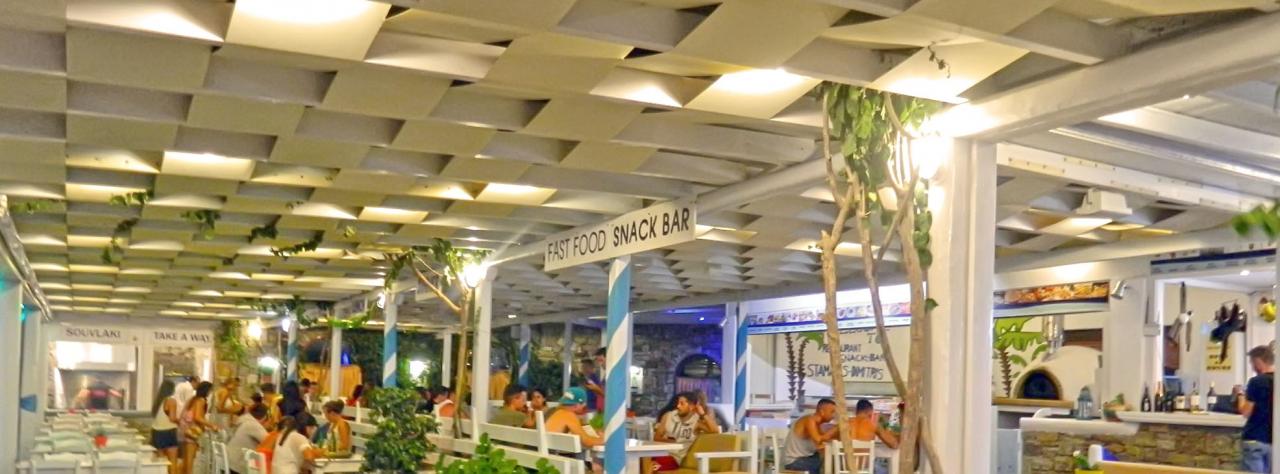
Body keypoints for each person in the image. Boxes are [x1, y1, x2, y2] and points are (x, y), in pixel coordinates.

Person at [652, 391, 721, 470]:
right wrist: (673, 442)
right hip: (662, 453)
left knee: (652, 466)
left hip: (676, 458)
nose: (678, 406)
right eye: (678, 403)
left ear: (692, 406)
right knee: (643, 460)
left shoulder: (696, 421)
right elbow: (656, 437)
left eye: (682, 404)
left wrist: (702, 413)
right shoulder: (668, 416)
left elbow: (715, 431)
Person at [1239, 345, 1274, 472]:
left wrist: (1240, 394)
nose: (1252, 367)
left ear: (1258, 361)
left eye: (1252, 362)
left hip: (1255, 437)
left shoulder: (1256, 382)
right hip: (1273, 439)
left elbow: (1245, 412)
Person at [782, 398, 838, 474]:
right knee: (826, 463)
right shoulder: (809, 420)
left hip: (805, 458)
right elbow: (818, 439)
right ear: (822, 412)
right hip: (794, 461)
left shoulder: (817, 424)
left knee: (829, 460)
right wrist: (835, 429)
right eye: (832, 412)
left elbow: (821, 443)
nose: (834, 416)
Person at [180, 382, 218, 474]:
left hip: (185, 430)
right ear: (207, 390)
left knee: (186, 459)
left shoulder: (192, 399)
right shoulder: (201, 400)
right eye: (210, 391)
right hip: (193, 431)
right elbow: (198, 417)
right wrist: (211, 425)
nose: (211, 393)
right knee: (191, 460)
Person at [226, 405, 270, 474]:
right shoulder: (253, 424)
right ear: (265, 417)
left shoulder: (244, 420)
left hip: (230, 462)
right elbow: (270, 441)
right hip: (237, 467)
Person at [150, 380, 181, 474]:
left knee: (161, 463)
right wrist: (180, 421)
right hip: (168, 431)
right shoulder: (171, 400)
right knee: (172, 461)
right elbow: (172, 418)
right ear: (172, 389)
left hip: (156, 432)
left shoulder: (158, 401)